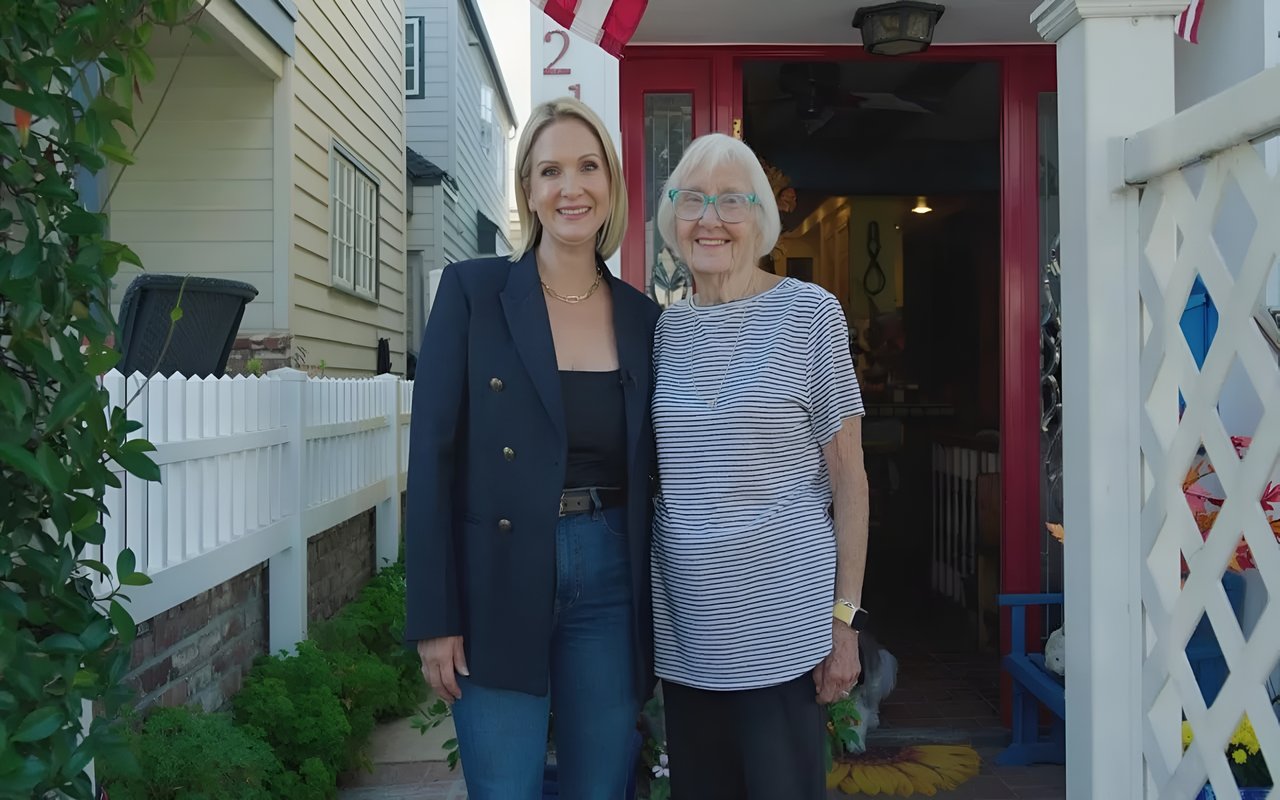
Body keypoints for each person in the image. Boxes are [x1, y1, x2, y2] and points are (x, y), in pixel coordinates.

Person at [403, 97, 661, 800]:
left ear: (611, 180)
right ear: (527, 190)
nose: (570, 187)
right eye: (550, 170)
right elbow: (431, 459)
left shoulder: (645, 319)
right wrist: (435, 617)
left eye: (587, 166)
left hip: (611, 576)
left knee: (600, 787)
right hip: (496, 574)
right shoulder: (472, 292)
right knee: (504, 789)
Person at [650, 132, 871, 799]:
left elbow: (849, 481)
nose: (709, 218)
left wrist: (845, 622)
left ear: (761, 220)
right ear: (672, 219)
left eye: (730, 201)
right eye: (692, 200)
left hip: (785, 638)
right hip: (687, 639)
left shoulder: (810, 314)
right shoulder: (663, 331)